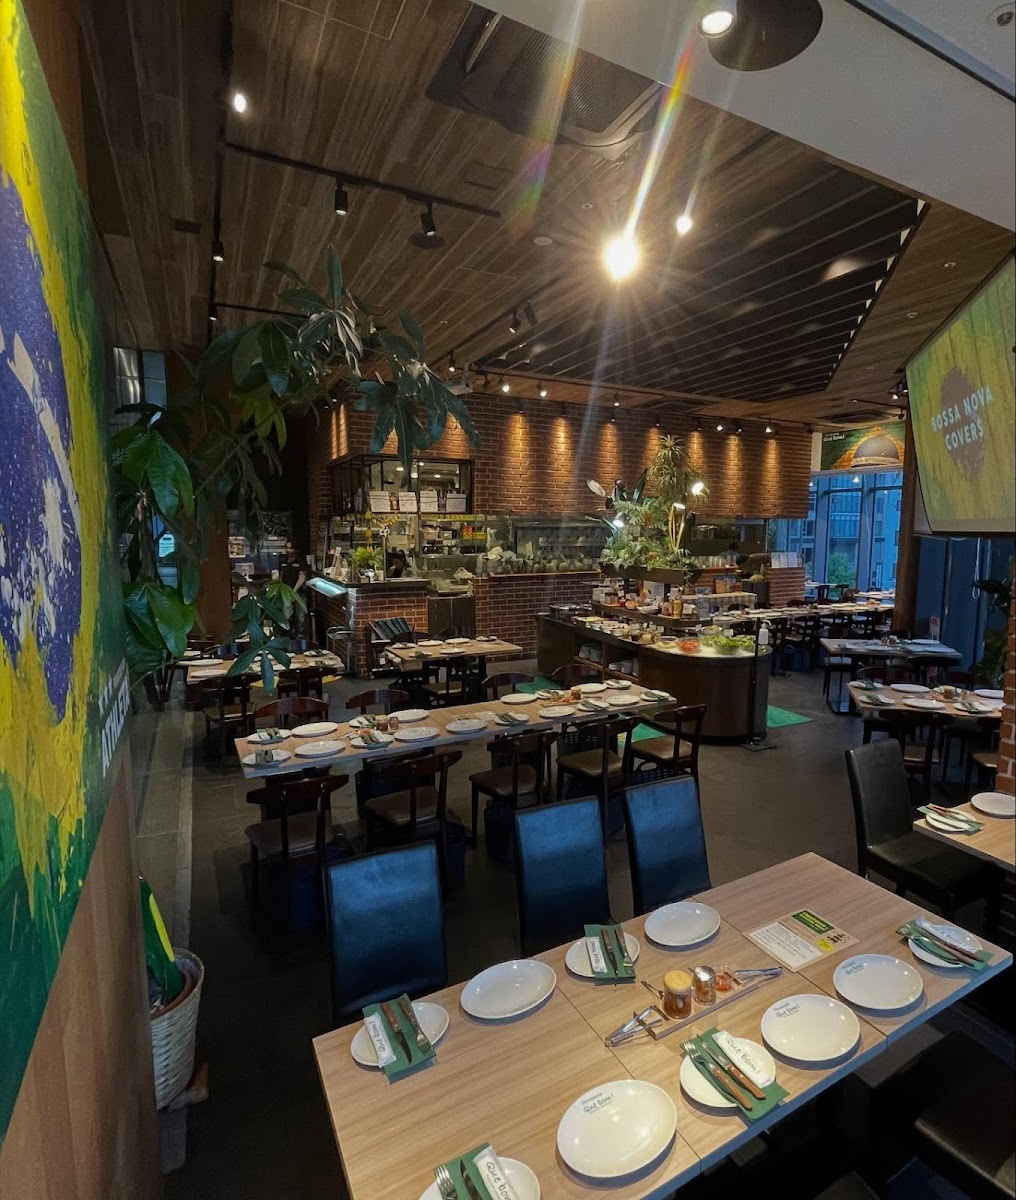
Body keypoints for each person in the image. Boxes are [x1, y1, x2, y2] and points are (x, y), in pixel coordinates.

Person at [279, 540, 306, 634]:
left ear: (295, 549)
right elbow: (281, 575)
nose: (288, 550)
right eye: (287, 548)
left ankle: (300, 635)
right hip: (286, 592)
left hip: (299, 592)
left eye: (290, 548)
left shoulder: (300, 560)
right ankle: (289, 634)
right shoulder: (283, 560)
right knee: (287, 615)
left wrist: (293, 591)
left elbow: (302, 577)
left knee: (300, 616)